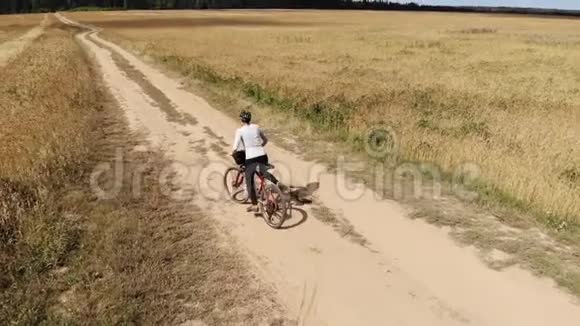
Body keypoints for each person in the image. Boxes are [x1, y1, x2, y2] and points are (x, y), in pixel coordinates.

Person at [232, 110, 280, 212]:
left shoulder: (240, 131)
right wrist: (259, 147)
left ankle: (254, 205)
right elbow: (265, 140)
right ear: (250, 119)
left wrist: (233, 153)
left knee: (249, 180)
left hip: (251, 158)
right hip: (262, 155)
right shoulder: (256, 127)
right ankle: (276, 183)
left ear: (241, 120)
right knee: (262, 173)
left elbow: (235, 147)